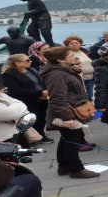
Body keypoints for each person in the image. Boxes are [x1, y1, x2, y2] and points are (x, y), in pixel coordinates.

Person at [40, 47, 99, 178]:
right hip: (66, 112)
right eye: (71, 55)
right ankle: (76, 169)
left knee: (67, 139)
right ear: (60, 59)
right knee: (73, 140)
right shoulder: (57, 74)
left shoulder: (63, 71)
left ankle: (64, 166)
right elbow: (57, 98)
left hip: (70, 109)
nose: (75, 57)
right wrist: (67, 117)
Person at [1, 54, 52, 143]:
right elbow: (16, 90)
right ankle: (30, 138)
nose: (31, 61)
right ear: (17, 63)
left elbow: (39, 83)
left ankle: (40, 135)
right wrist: (40, 93)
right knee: (30, 119)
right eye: (27, 60)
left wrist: (43, 92)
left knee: (41, 118)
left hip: (40, 99)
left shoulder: (31, 70)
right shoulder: (9, 74)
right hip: (26, 101)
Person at [0, 66, 29, 142]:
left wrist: (14, 112)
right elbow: (9, 113)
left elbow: (19, 104)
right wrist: (15, 110)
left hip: (14, 135)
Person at [63, 36, 95, 101]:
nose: (75, 44)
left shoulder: (85, 52)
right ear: (67, 45)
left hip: (90, 78)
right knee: (82, 96)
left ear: (80, 44)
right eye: (72, 43)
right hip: (78, 78)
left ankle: (90, 109)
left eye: (76, 43)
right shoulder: (68, 54)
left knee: (90, 95)